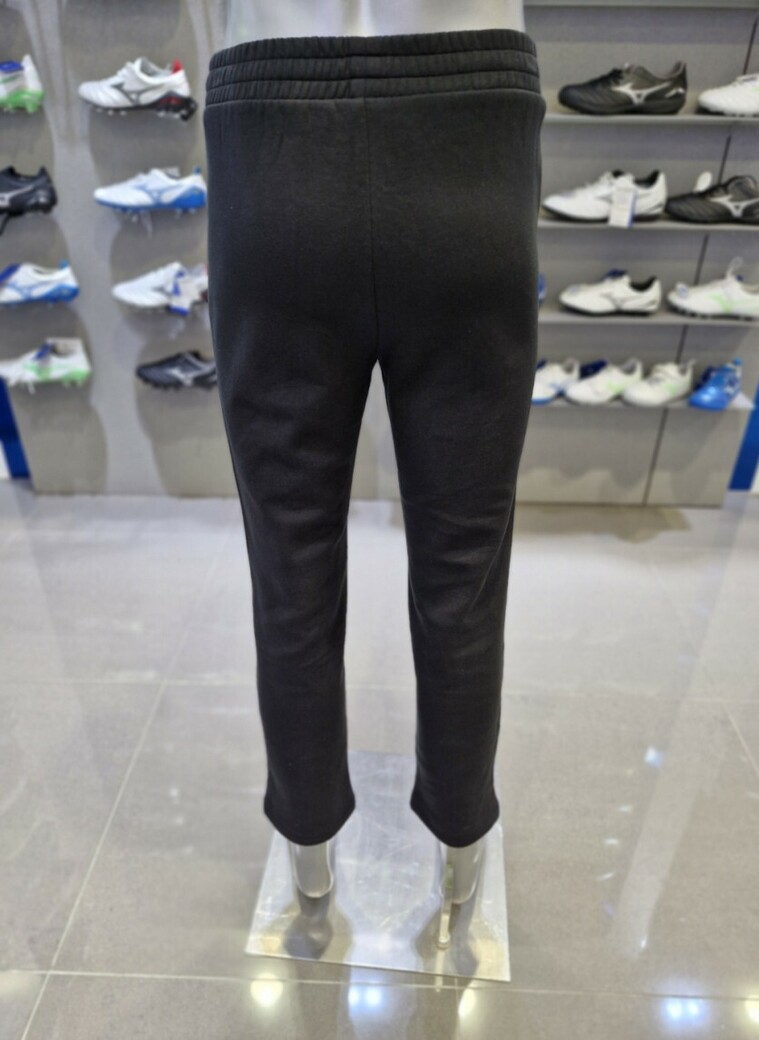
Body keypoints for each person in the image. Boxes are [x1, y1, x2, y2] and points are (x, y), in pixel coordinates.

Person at [205, 0, 542, 909]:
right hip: (472, 128)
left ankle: (307, 844)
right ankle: (462, 847)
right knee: (465, 571)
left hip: (272, 130)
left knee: (290, 565)